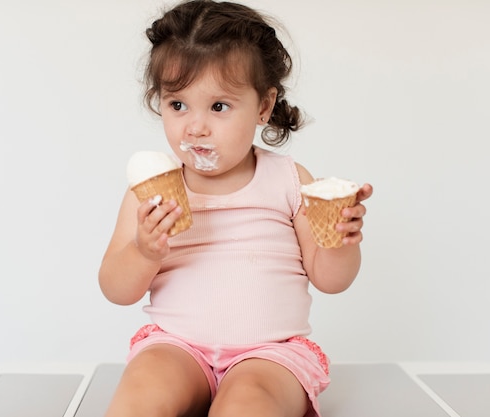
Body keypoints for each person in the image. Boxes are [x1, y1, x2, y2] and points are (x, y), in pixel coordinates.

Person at [99, 1, 373, 416]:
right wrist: (144, 251)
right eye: (178, 105)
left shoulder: (287, 179)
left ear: (263, 107)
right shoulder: (149, 193)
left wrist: (340, 240)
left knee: (248, 405)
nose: (195, 126)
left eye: (219, 106)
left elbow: (329, 279)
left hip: (269, 354)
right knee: (138, 398)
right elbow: (116, 289)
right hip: (178, 347)